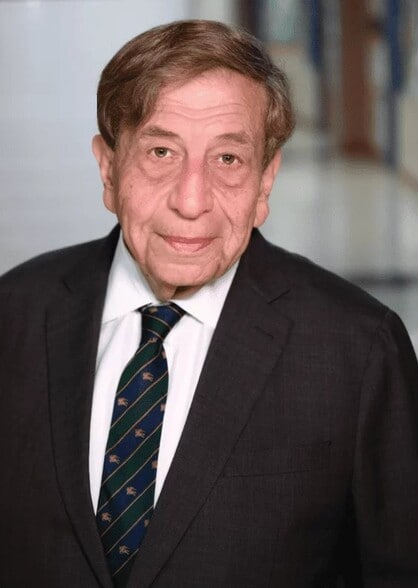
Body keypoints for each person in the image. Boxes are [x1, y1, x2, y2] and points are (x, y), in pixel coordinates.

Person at [0, 19, 417, 588]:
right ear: (108, 168)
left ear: (265, 182)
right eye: (161, 152)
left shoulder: (358, 350)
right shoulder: (15, 317)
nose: (191, 201)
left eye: (228, 160)